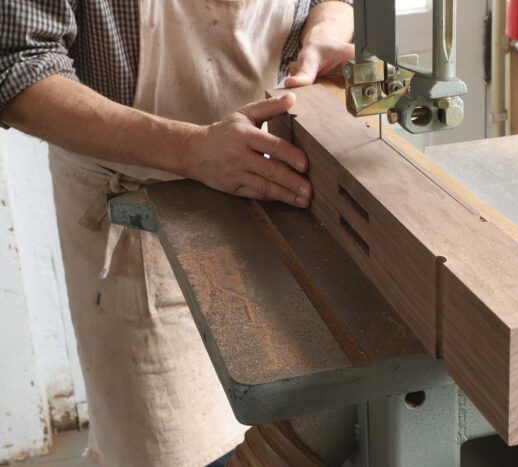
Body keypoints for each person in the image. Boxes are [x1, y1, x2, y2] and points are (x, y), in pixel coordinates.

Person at [0, 1, 354, 465]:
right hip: (137, 205)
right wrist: (191, 148)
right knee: (171, 445)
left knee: (288, 435)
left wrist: (325, 30)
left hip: (269, 189)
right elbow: (18, 71)